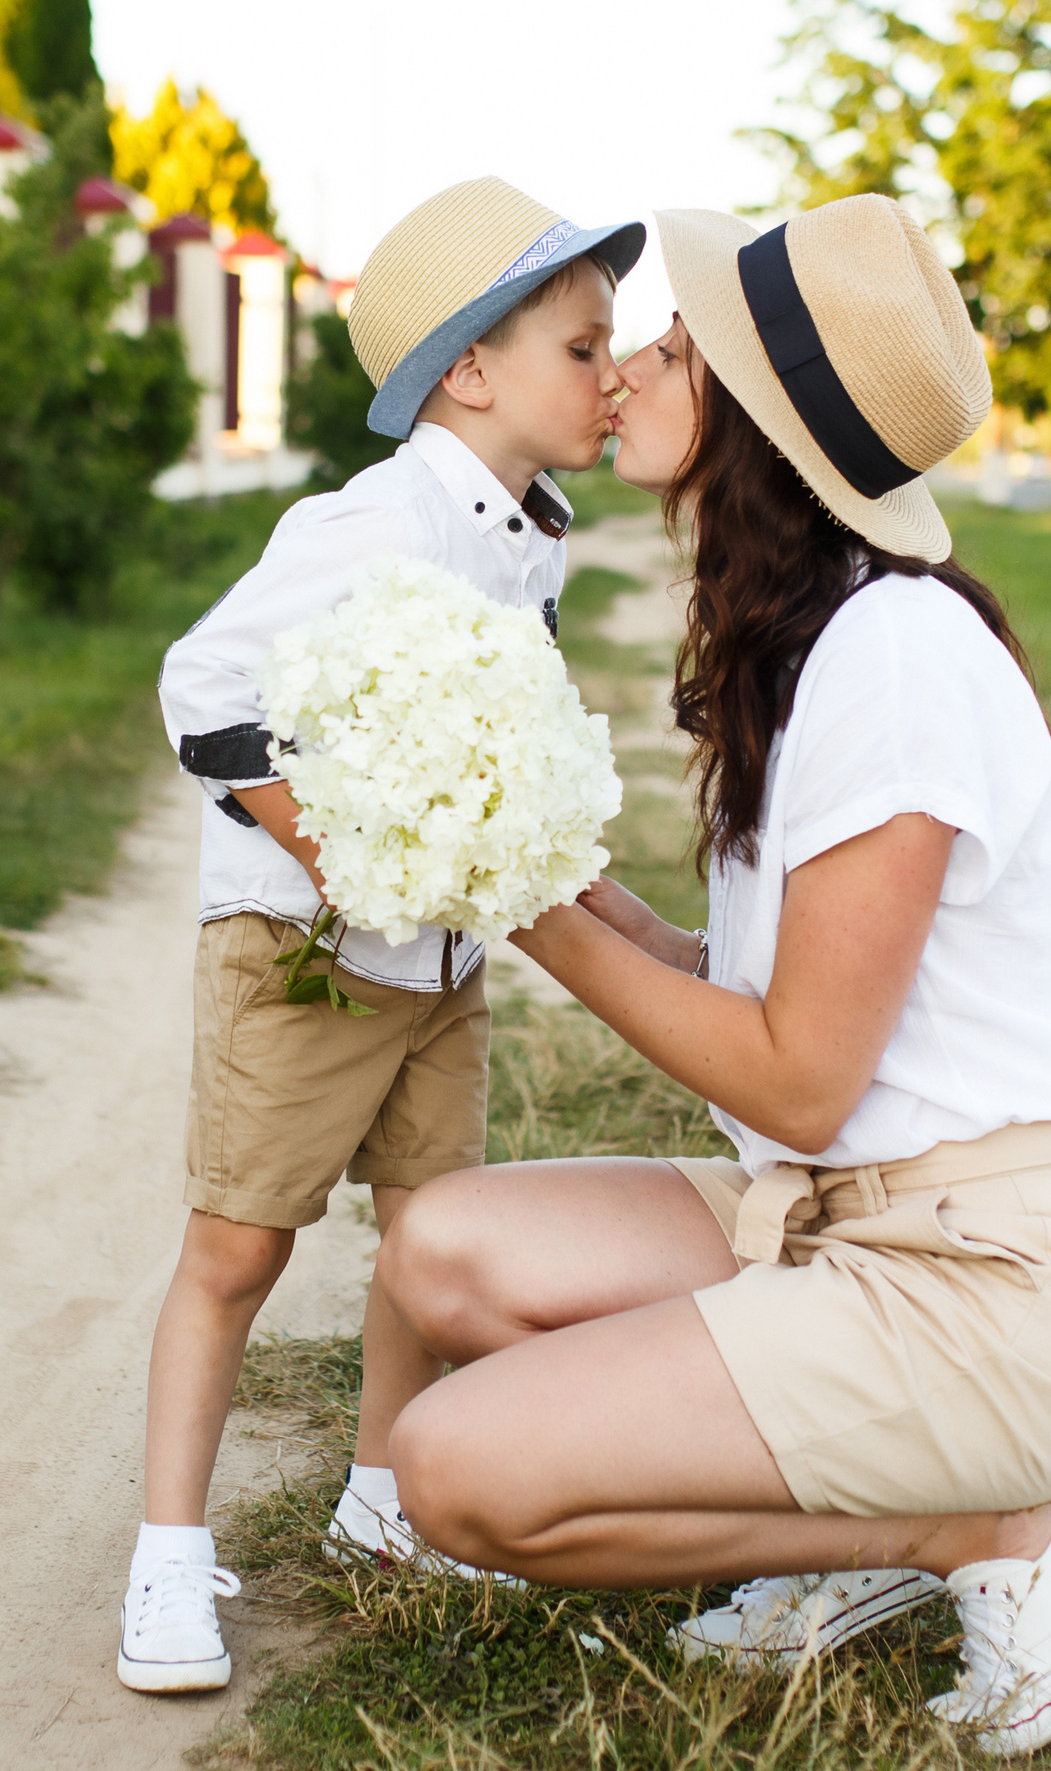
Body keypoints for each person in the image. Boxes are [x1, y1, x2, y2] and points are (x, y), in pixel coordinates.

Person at [376, 196, 1051, 1758]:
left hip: (992, 1285)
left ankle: (988, 1532)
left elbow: (798, 1071)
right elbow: (764, 990)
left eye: (673, 350)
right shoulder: (814, 641)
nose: (629, 369)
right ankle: (877, 1498)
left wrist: (526, 918)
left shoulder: (893, 655)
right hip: (837, 1217)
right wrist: (560, 882)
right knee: (445, 1254)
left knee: (454, 1470)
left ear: (751, 420)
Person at [123, 178, 645, 1695]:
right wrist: (336, 847)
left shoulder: (532, 535)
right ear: (471, 370)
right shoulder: (368, 522)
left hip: (445, 969)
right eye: (583, 346)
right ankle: (166, 1553)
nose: (611, 376)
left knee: (432, 1240)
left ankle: (380, 1506)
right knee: (239, 1242)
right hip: (304, 958)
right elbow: (200, 689)